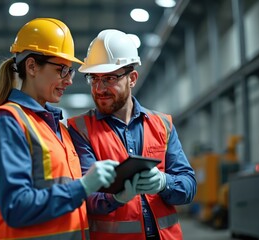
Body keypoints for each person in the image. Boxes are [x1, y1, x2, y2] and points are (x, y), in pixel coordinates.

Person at [0, 18, 118, 240]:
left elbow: (72, 200)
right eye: (62, 70)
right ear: (31, 66)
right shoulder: (8, 123)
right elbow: (16, 207)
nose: (68, 81)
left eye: (71, 71)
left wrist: (118, 197)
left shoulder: (59, 129)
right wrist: (83, 186)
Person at [68, 29, 197, 240]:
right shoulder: (80, 129)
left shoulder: (162, 125)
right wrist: (117, 198)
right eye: (94, 79)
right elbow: (86, 196)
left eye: (109, 78)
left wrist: (165, 183)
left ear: (132, 78)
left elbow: (189, 186)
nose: (99, 88)